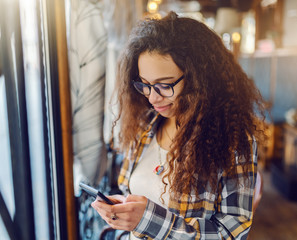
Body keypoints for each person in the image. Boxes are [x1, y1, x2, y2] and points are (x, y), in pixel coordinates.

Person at [91, 11, 266, 240]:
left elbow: (231, 233)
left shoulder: (231, 141)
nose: (152, 98)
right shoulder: (146, 125)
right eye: (144, 85)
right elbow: (131, 191)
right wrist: (122, 210)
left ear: (199, 79)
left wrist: (148, 221)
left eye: (164, 86)